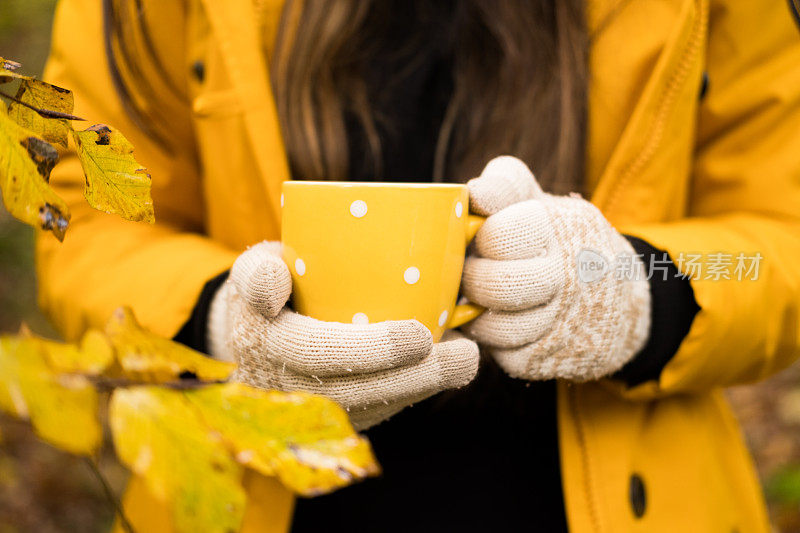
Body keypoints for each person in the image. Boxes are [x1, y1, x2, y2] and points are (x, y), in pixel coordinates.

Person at [38, 0, 800, 531]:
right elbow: (85, 217)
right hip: (254, 495)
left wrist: (633, 289)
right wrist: (216, 322)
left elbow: (782, 235)